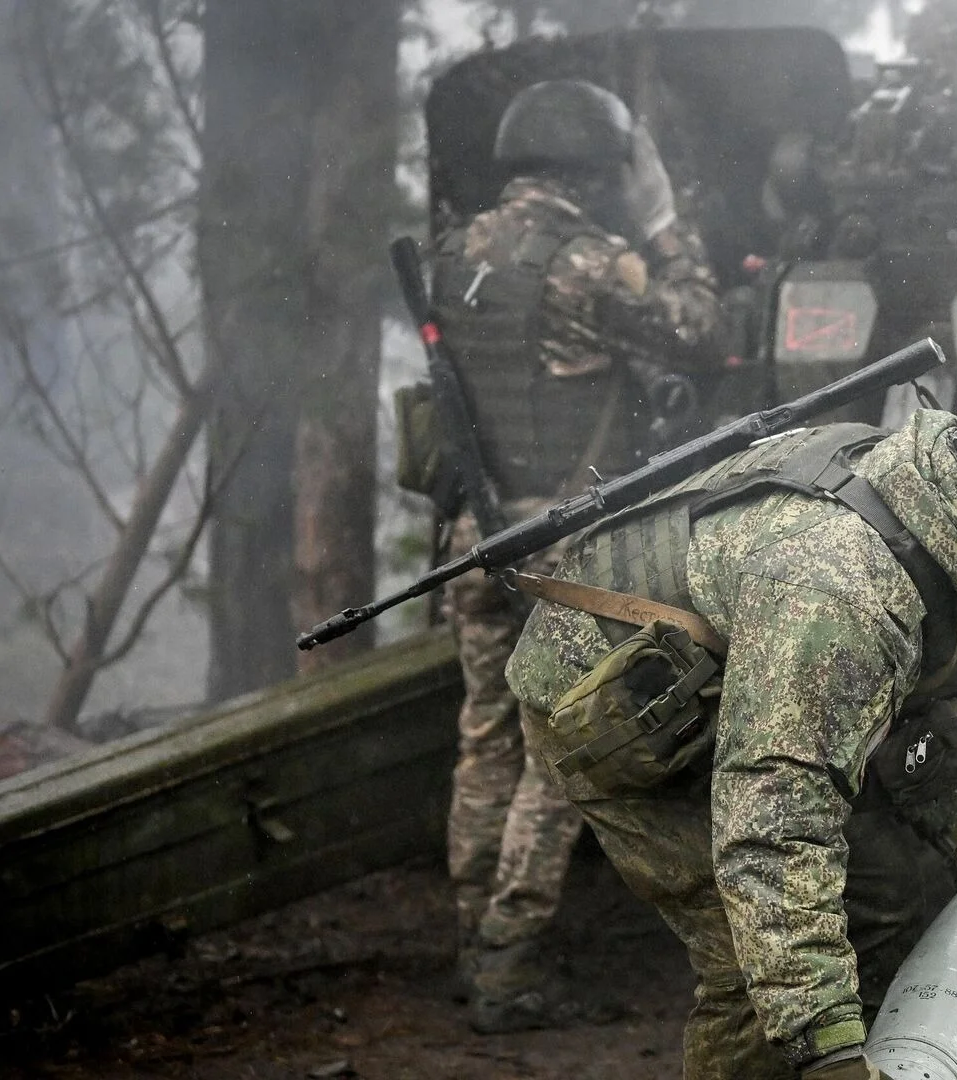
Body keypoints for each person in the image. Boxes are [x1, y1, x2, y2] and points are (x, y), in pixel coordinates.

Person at [503, 386, 957, 1080]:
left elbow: (892, 702)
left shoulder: (941, 511)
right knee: (752, 970)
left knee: (880, 896)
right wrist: (825, 1048)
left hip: (740, 680)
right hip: (615, 702)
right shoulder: (843, 591)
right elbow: (772, 830)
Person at [428, 77, 720, 1033]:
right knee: (559, 752)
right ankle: (509, 966)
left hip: (476, 536)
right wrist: (666, 224)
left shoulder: (455, 252)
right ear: (594, 170)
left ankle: (474, 938)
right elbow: (698, 329)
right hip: (562, 549)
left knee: (484, 737)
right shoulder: (589, 263)